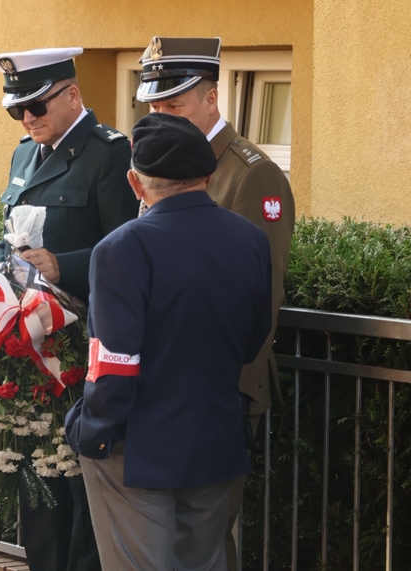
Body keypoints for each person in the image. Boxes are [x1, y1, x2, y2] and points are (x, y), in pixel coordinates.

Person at [66, 112, 272, 571]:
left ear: (135, 184)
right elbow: (253, 340)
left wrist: (89, 432)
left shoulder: (122, 247)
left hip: (137, 447)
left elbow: (114, 365)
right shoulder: (251, 240)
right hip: (215, 437)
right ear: (209, 176)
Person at [135, 36, 296, 571]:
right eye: (154, 107)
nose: (162, 117)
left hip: (219, 386)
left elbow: (259, 295)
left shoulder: (251, 173)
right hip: (159, 385)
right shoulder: (158, 161)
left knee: (202, 541)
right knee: (161, 541)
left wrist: (223, 385)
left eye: (174, 105)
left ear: (212, 98)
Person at [0, 48, 138, 571]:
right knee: (36, 484)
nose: (27, 118)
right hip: (28, 348)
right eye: (16, 110)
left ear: (72, 94)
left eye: (36, 106)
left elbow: (128, 249)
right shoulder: (25, 154)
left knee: (78, 484)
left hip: (79, 347)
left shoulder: (110, 153)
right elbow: (8, 239)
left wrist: (61, 265)